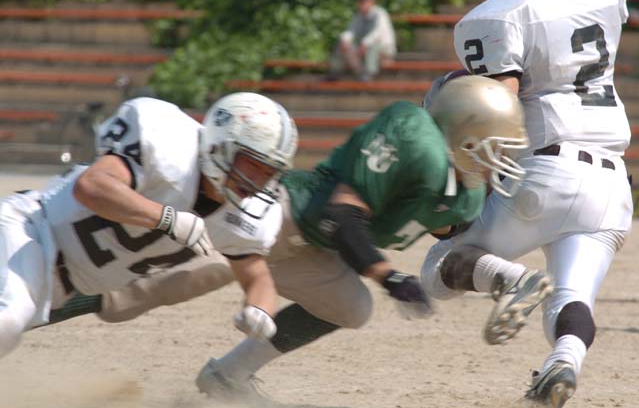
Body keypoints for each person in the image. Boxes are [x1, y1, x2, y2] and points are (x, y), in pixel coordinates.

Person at [48, 76, 547, 405]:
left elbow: (453, 255)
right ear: (461, 135)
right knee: (162, 283)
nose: (501, 160)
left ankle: (227, 376)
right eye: (495, 147)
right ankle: (40, 305)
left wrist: (505, 279)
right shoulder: (414, 138)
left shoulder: (464, 195)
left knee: (351, 307)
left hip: (322, 249)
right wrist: (386, 275)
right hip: (286, 213)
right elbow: (342, 214)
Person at [418, 0, 634, 408]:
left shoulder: (495, 17)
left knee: (439, 266)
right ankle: (564, 361)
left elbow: (496, 109)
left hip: (543, 173)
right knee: (570, 298)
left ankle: (513, 280)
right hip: (612, 187)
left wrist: (455, 172)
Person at [0, 91, 298, 359]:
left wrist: (260, 309)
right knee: (9, 320)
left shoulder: (249, 216)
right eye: (252, 164)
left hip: (61, 286)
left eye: (268, 172)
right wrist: (166, 218)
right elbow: (92, 185)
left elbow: (257, 276)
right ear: (220, 145)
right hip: (31, 231)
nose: (257, 181)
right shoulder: (169, 146)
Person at [328, 0, 397, 81]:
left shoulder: (380, 13)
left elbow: (378, 33)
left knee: (372, 45)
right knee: (342, 44)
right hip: (364, 49)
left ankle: (370, 73)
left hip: (384, 49)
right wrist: (344, 40)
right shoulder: (359, 16)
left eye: (365, 1)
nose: (363, 4)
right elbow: (351, 31)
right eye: (361, 1)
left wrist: (365, 43)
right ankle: (336, 72)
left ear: (372, 2)